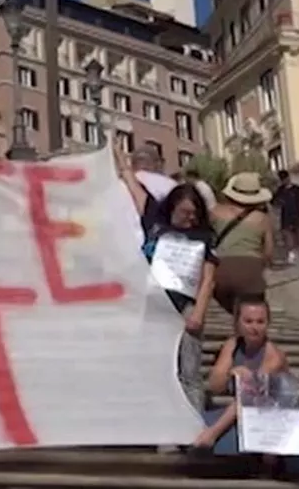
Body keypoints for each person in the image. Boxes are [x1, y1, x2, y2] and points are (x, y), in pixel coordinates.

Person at [115, 136, 217, 412]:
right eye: (185, 212)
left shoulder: (204, 235)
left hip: (186, 308)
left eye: (194, 214)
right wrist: (121, 159)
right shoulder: (154, 222)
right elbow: (134, 187)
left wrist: (199, 312)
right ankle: (165, 433)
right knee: (159, 369)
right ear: (172, 207)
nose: (189, 219)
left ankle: (194, 431)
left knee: (190, 372)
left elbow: (209, 277)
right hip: (155, 305)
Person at [196, 296, 299, 480]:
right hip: (247, 413)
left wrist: (213, 432)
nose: (254, 327)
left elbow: (248, 398)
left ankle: (267, 460)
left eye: (260, 321)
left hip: (278, 416)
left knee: (213, 432)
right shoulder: (232, 345)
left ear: (268, 324)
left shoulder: (273, 356)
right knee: (195, 426)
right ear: (238, 323)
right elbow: (216, 386)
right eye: (248, 321)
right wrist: (231, 371)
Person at [210, 173, 273, 312]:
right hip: (251, 271)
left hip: (221, 271)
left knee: (230, 310)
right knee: (251, 312)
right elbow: (268, 253)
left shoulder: (215, 212)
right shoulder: (262, 219)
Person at [272, 170, 299, 264]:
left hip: (297, 215)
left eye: (286, 178)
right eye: (282, 179)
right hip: (286, 217)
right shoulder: (280, 190)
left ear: (289, 177)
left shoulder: (296, 189)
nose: (285, 181)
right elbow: (274, 203)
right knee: (288, 237)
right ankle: (291, 255)